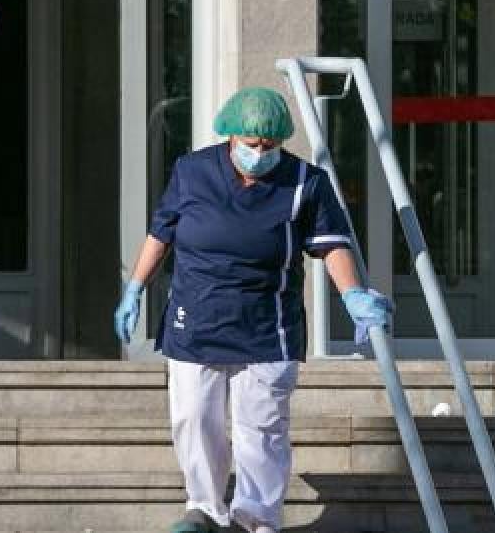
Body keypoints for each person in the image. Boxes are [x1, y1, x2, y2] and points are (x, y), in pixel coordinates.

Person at [114, 87, 392, 533]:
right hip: (197, 317)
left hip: (268, 324)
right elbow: (161, 232)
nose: (260, 154)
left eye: (269, 146)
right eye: (250, 144)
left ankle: (256, 518)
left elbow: (331, 244)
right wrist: (135, 287)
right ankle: (203, 509)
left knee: (261, 429)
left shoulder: (305, 182)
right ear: (230, 137)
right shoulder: (192, 172)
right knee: (195, 418)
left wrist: (353, 295)